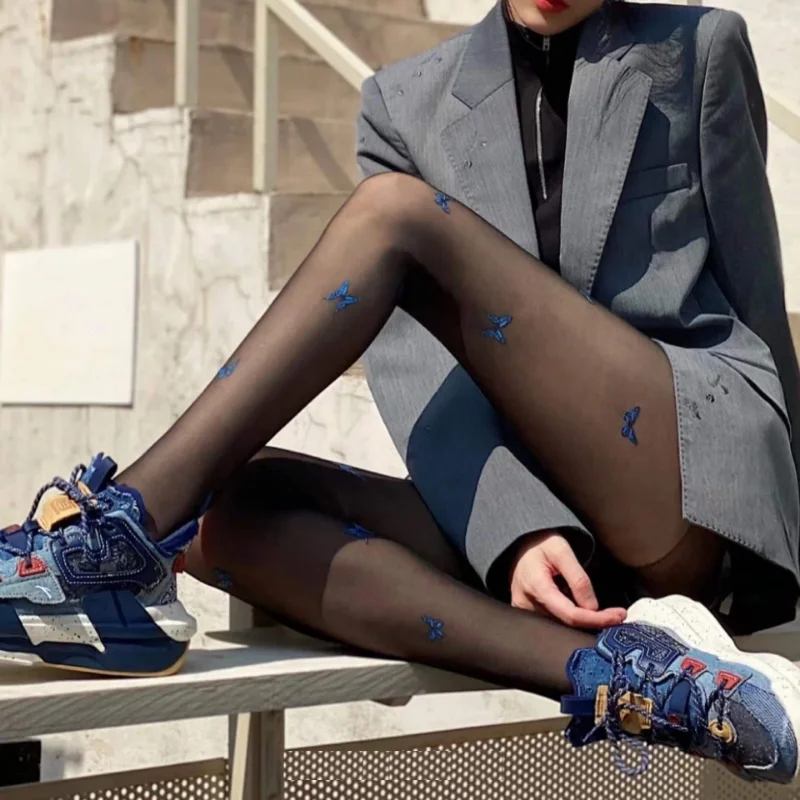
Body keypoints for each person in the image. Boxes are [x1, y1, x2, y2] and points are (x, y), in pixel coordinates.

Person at [1, 0, 799, 784]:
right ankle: (639, 679)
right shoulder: (403, 100)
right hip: (556, 533)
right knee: (225, 515)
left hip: (673, 477)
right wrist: (516, 531)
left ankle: (114, 533)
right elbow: (413, 361)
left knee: (393, 214)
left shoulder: (697, 46)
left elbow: (757, 300)